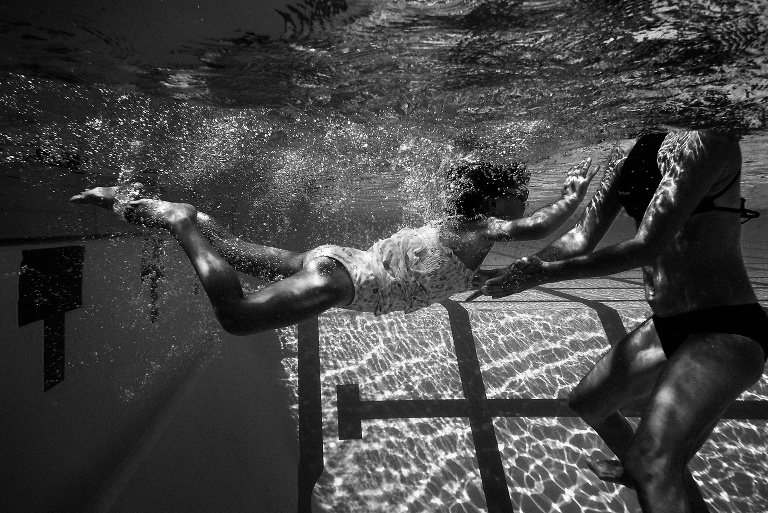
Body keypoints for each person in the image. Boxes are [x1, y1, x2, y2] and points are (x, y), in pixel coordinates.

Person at [476, 129, 767, 513]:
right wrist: (522, 271)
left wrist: (543, 274)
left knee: (653, 464)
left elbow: (648, 246)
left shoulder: (709, 139)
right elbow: (582, 236)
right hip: (667, 324)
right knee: (590, 403)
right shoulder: (627, 153)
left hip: (725, 325)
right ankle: (650, 472)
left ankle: (652, 471)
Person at [69, 158, 597, 334]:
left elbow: (429, 272)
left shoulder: (461, 229)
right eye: (522, 195)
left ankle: (131, 203)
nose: (526, 202)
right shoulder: (481, 228)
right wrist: (573, 198)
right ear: (497, 197)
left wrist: (481, 281)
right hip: (343, 279)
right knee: (236, 316)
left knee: (225, 249)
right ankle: (181, 219)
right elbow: (533, 229)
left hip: (341, 265)